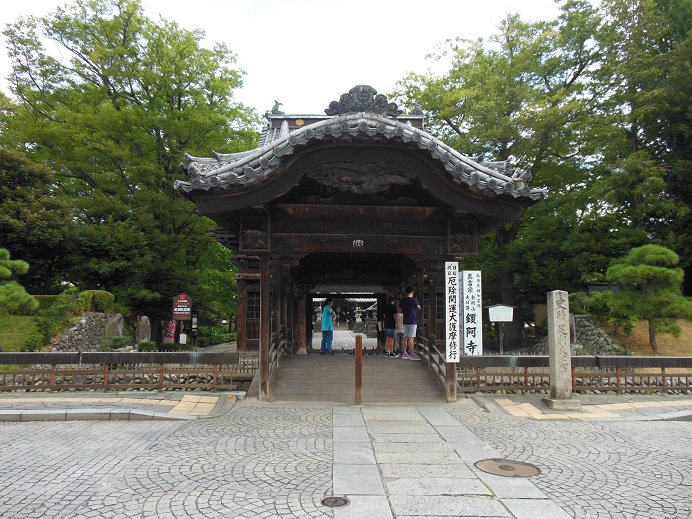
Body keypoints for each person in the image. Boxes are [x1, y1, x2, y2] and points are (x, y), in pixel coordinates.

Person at [400, 287, 421, 360]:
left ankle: (404, 353)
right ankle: (412, 354)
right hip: (412, 320)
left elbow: (400, 310)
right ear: (412, 293)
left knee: (405, 337)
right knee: (411, 338)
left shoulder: (402, 301)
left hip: (405, 320)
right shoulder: (414, 300)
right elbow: (419, 308)